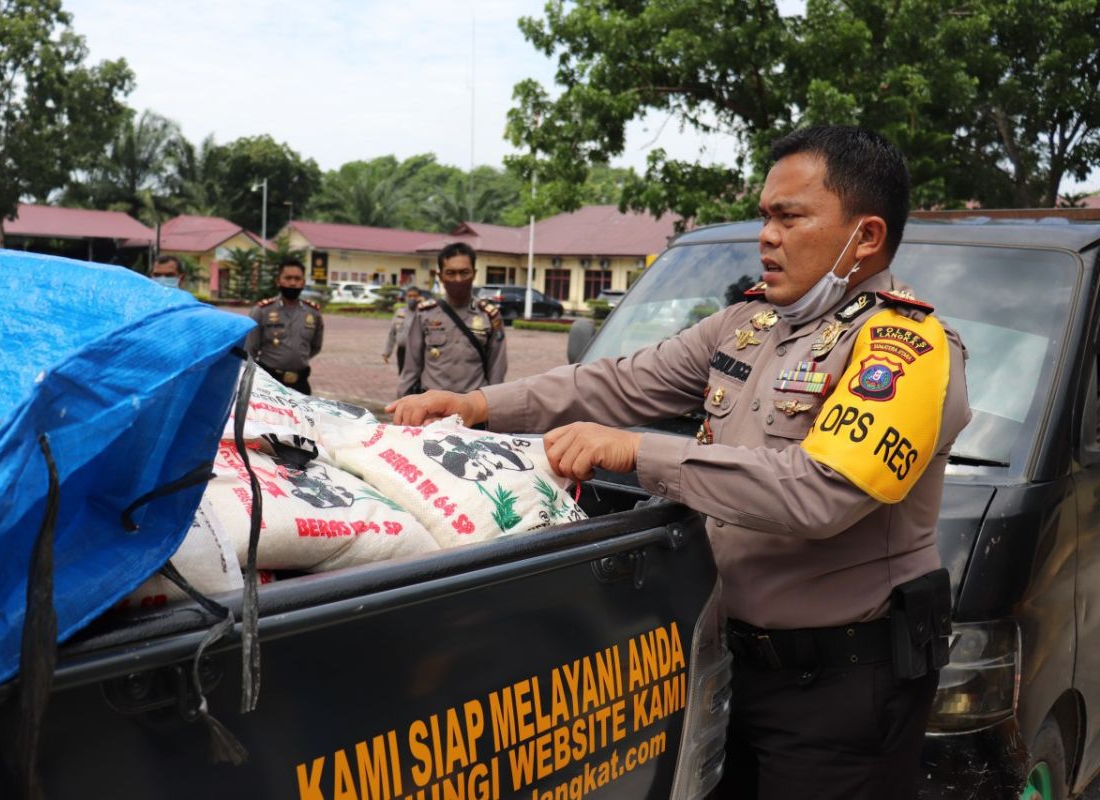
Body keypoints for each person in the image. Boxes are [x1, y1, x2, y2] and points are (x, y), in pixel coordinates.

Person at [388, 126, 971, 799]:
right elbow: (618, 381)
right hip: (727, 661)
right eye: (764, 215)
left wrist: (641, 452)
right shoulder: (750, 325)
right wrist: (475, 404)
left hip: (841, 692)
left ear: (865, 237)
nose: (767, 236)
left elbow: (819, 494)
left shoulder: (904, 349)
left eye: (790, 217)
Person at [397, 243, 507, 397]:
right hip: (432, 411)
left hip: (472, 411)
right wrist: (402, 403)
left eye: (464, 272)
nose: (458, 279)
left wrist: (493, 411)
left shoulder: (489, 316)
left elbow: (497, 370)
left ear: (474, 274)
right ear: (440, 276)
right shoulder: (424, 314)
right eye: (450, 273)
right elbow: (411, 369)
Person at [246, 258, 323, 395]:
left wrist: (294, 358)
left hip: (301, 383)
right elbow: (250, 349)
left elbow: (315, 347)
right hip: (269, 383)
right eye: (288, 278)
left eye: (297, 278)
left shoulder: (313, 312)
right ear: (278, 281)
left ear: (303, 283)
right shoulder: (262, 311)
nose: (293, 283)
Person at [383, 285, 422, 374]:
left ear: (419, 297)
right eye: (409, 296)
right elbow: (392, 333)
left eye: (415, 296)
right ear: (405, 297)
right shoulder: (400, 312)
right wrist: (387, 352)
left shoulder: (424, 312)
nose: (412, 298)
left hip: (418, 353)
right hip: (402, 351)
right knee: (402, 375)